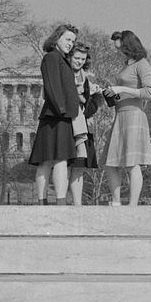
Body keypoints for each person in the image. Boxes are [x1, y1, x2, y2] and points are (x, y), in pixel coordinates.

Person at [27, 24, 81, 205]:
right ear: (57, 38)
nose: (71, 44)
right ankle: (49, 201)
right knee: (49, 160)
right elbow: (52, 86)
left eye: (73, 41)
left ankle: (58, 201)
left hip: (61, 115)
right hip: (56, 116)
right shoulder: (51, 57)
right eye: (67, 39)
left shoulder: (61, 59)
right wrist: (62, 110)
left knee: (58, 160)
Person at [102, 30, 151, 206]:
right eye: (117, 49)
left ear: (130, 47)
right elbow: (123, 92)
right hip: (120, 115)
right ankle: (116, 201)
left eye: (122, 49)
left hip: (134, 116)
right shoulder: (126, 65)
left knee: (132, 163)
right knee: (111, 163)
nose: (119, 53)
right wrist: (110, 93)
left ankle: (132, 205)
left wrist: (122, 89)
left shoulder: (142, 64)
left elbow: (150, 92)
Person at [66, 42, 106, 205]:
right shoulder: (64, 73)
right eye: (77, 58)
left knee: (78, 168)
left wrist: (96, 98)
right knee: (63, 166)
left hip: (82, 124)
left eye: (83, 59)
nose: (80, 61)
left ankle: (77, 204)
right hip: (67, 123)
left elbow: (92, 105)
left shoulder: (87, 79)